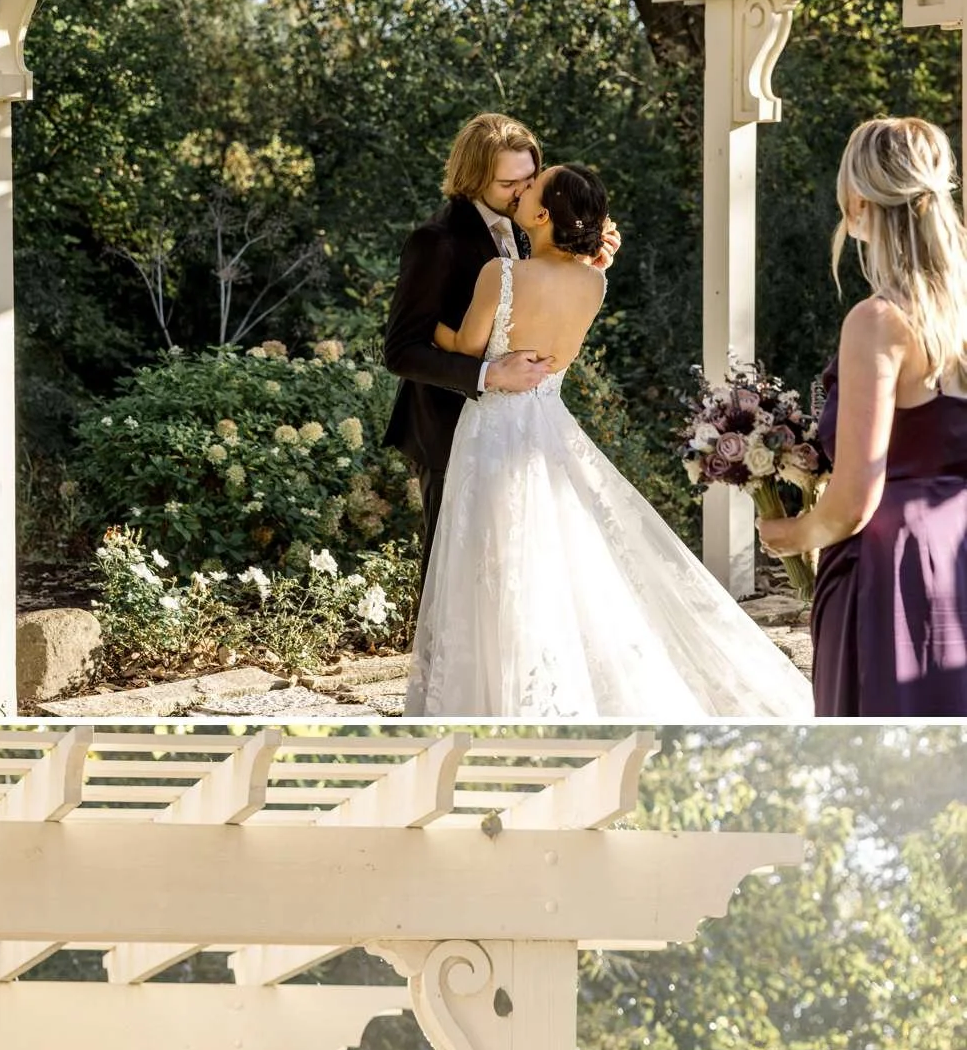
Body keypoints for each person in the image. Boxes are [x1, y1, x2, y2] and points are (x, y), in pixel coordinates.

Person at [408, 161, 809, 717]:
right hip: (549, 424)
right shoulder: (594, 282)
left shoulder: (502, 275)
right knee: (554, 554)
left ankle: (496, 695)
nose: (522, 192)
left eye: (531, 188)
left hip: (495, 431)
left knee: (493, 557)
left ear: (543, 215)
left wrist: (430, 324)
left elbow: (469, 348)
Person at [773, 117, 967, 715]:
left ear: (857, 202)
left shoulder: (879, 320)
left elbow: (856, 498)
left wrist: (792, 535)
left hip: (896, 573)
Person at [379, 116, 556, 604]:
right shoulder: (436, 241)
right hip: (447, 428)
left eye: (530, 178)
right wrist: (488, 374)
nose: (523, 192)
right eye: (508, 183)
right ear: (473, 179)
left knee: (509, 570)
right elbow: (401, 350)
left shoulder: (527, 225)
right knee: (450, 578)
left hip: (513, 427)